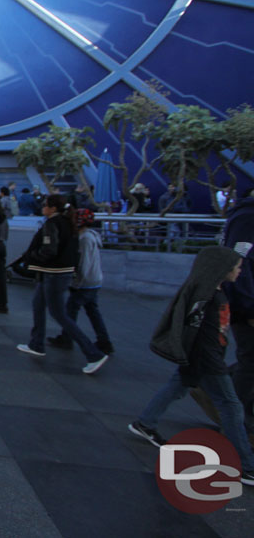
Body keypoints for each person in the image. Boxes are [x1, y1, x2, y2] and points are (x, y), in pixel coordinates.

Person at [128, 247, 254, 486]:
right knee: (231, 406)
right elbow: (201, 336)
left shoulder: (213, 295)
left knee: (177, 387)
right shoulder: (208, 298)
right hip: (207, 362)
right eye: (237, 267)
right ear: (221, 270)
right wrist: (212, 362)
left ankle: (145, 423)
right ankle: (246, 465)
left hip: (202, 359)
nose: (240, 272)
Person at [17, 194, 109, 374]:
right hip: (56, 273)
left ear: (52, 208)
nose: (42, 207)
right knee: (38, 305)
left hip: (54, 273)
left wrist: (31, 257)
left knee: (59, 314)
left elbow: (49, 250)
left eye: (45, 205)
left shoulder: (53, 224)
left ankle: (93, 353)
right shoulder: (69, 223)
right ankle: (36, 343)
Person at [48, 209, 113, 353]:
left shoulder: (84, 239)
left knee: (70, 311)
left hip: (85, 282)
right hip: (94, 280)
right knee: (92, 312)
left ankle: (67, 338)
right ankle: (104, 341)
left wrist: (76, 283)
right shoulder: (91, 236)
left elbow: (83, 263)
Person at [223, 187, 254, 427]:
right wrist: (248, 308)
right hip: (246, 305)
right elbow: (238, 262)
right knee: (250, 359)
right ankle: (233, 420)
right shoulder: (247, 218)